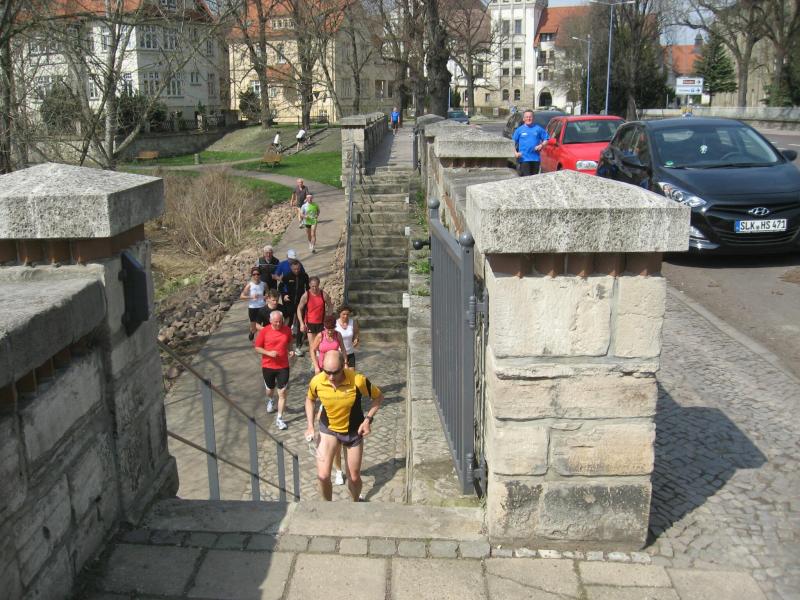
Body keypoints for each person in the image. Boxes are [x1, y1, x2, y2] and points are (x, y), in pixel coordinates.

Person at [305, 350, 384, 501]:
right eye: (327, 372)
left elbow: (379, 397)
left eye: (335, 372)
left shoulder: (358, 380)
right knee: (323, 476)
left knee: (353, 477)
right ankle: (328, 507)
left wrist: (367, 420)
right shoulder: (317, 381)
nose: (331, 377)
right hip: (329, 430)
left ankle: (355, 502)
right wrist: (310, 425)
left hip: (353, 432)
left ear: (343, 366)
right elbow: (310, 399)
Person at [255, 310, 296, 429]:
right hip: (268, 366)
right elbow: (257, 348)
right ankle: (270, 399)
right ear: (270, 320)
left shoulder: (287, 330)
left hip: (283, 366)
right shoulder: (264, 331)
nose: (278, 324)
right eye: (275, 322)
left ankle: (279, 418)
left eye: (280, 321)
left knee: (282, 392)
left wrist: (291, 350)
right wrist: (269, 353)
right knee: (270, 390)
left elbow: (289, 342)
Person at [280, 259, 309, 355]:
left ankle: (298, 346)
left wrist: (307, 298)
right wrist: (284, 295)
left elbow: (308, 288)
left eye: (298, 269)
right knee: (288, 322)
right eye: (294, 269)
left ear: (300, 267)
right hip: (290, 303)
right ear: (291, 268)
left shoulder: (304, 276)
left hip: (301, 303)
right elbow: (280, 287)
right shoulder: (287, 276)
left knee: (301, 324)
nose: (296, 271)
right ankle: (285, 343)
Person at [297, 276, 331, 356]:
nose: (314, 288)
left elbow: (330, 306)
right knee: (312, 345)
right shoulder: (306, 295)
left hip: (321, 323)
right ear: (309, 285)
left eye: (316, 286)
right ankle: (314, 361)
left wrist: (328, 317)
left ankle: (320, 360)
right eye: (312, 286)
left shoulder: (323, 294)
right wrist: (301, 323)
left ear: (319, 285)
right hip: (310, 323)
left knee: (321, 344)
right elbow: (299, 309)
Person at [512, 109, 549, 176]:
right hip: (524, 159)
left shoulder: (538, 129)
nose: (528, 118)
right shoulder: (519, 130)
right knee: (527, 178)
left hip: (535, 159)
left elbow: (546, 139)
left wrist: (541, 145)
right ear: (523, 119)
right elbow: (512, 143)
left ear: (533, 118)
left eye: (530, 117)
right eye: (527, 117)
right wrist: (515, 153)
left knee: (534, 178)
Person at [240, 267, 267, 341]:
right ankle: (252, 332)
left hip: (262, 307)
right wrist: (251, 297)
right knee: (254, 328)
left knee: (262, 326)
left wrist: (265, 297)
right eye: (254, 274)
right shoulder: (249, 285)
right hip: (253, 308)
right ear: (252, 275)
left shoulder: (264, 284)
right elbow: (241, 296)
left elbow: (267, 294)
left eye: (258, 274)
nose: (256, 276)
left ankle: (260, 341)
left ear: (260, 275)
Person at [335, 305, 360, 369]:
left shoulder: (353, 322)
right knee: (340, 373)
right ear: (339, 313)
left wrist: (356, 339)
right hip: (339, 354)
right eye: (343, 314)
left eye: (347, 314)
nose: (346, 316)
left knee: (351, 373)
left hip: (350, 353)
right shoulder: (335, 324)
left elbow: (356, 333)